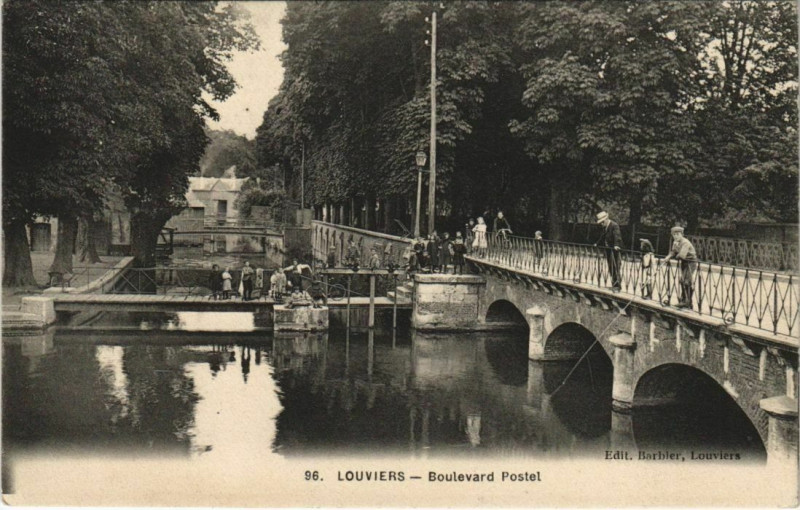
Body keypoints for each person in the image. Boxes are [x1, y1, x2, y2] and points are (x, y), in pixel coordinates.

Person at [662, 226, 698, 308]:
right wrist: (668, 256)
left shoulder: (685, 242)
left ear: (682, 234)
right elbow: (673, 251)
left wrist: (674, 256)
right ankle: (685, 300)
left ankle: (687, 302)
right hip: (684, 262)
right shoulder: (675, 242)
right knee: (682, 280)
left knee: (687, 281)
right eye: (674, 234)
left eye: (677, 234)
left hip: (691, 262)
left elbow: (681, 255)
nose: (675, 236)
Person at [594, 211, 622, 291]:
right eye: (601, 223)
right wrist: (597, 243)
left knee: (616, 267)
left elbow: (617, 236)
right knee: (611, 267)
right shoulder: (605, 227)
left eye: (602, 222)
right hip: (609, 250)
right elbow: (602, 236)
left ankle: (618, 286)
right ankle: (614, 284)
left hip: (615, 250)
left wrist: (616, 245)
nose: (602, 224)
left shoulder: (614, 225)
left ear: (606, 219)